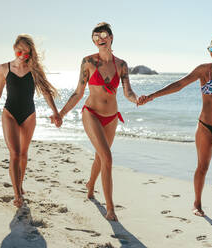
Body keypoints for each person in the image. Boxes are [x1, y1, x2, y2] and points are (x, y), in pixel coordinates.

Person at [138, 35, 212, 230]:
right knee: (202, 166)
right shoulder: (204, 70)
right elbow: (179, 84)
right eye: (211, 48)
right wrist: (152, 96)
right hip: (205, 127)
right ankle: (197, 204)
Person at [54, 22, 138, 221]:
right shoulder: (88, 62)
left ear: (111, 37)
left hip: (111, 117)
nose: (99, 39)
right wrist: (61, 113)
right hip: (91, 113)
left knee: (101, 157)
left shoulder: (122, 65)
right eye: (95, 37)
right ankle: (110, 208)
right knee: (107, 158)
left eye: (102, 35)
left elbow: (128, 92)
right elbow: (78, 92)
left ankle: (90, 185)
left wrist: (137, 100)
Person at [0, 34, 62, 208]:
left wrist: (56, 113)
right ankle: (17, 194)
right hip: (10, 113)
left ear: (30, 53)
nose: (22, 55)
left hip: (29, 115)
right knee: (14, 153)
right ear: (14, 49)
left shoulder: (34, 70)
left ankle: (19, 184)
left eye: (26, 53)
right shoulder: (4, 68)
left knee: (23, 154)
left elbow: (46, 92)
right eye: (19, 51)